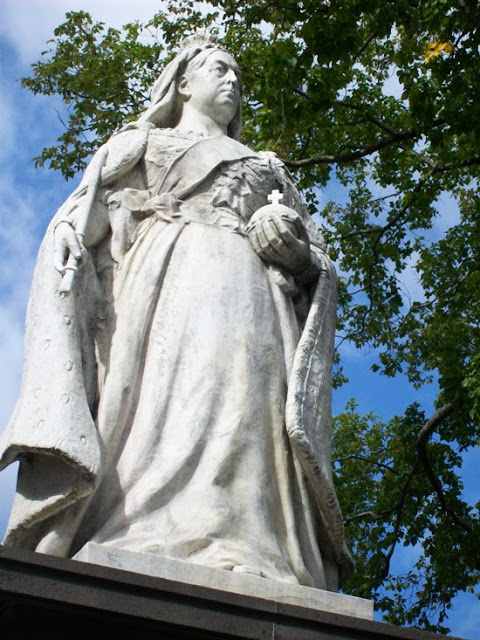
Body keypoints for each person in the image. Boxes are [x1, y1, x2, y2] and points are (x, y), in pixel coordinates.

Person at [0, 32, 353, 591]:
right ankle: (137, 527)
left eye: (239, 75)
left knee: (243, 397)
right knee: (165, 400)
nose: (233, 80)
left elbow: (315, 260)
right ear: (183, 83)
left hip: (249, 289)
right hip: (167, 281)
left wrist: (296, 252)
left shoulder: (268, 169)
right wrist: (67, 233)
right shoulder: (142, 143)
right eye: (219, 69)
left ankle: (245, 538)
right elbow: (91, 215)